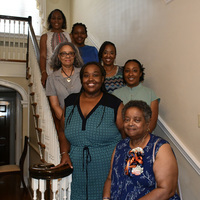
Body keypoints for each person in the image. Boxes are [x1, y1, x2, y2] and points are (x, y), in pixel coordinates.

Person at [56, 62, 125, 200]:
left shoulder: (114, 103)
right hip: (76, 169)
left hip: (106, 169)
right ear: (81, 79)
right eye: (86, 75)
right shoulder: (70, 101)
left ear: (103, 78)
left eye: (95, 75)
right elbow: (62, 131)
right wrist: (64, 153)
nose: (91, 79)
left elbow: (125, 136)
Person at [103, 100, 180, 200]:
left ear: (147, 123)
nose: (130, 123)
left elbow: (166, 190)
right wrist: (106, 198)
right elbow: (110, 179)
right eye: (127, 120)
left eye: (137, 120)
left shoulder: (160, 147)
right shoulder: (120, 146)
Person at [113, 59, 159, 132]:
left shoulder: (151, 94)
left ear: (140, 73)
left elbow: (152, 123)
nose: (130, 74)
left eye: (134, 71)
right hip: (121, 139)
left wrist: (140, 139)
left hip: (145, 139)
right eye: (127, 71)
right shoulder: (115, 94)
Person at [46, 42, 83, 121]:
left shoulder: (83, 74)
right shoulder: (52, 78)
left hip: (86, 119)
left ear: (74, 55)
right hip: (65, 121)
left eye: (71, 53)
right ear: (59, 56)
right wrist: (67, 121)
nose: (68, 56)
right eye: (63, 54)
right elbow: (55, 105)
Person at [40, 9, 71, 87]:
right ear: (50, 20)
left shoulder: (69, 36)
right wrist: (43, 72)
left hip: (68, 73)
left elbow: (74, 55)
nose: (56, 21)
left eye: (59, 18)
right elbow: (43, 56)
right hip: (51, 72)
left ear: (63, 20)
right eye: (53, 18)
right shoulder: (45, 37)